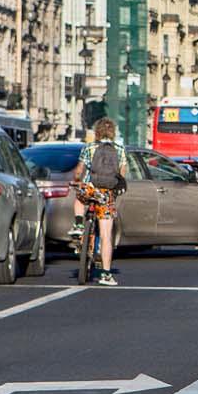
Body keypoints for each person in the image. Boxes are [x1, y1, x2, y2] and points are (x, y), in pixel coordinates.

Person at [73, 117, 124, 286]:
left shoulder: (89, 147)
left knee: (80, 197)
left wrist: (77, 180)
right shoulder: (119, 149)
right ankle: (106, 274)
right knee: (106, 236)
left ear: (97, 132)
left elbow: (79, 171)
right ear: (113, 132)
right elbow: (121, 174)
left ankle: (79, 225)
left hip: (90, 188)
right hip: (106, 193)